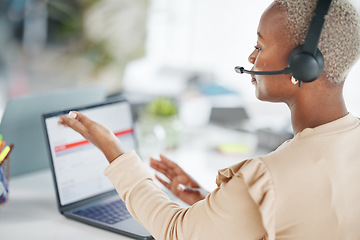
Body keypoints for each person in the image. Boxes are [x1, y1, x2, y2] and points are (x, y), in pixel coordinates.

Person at [58, 0, 360, 239]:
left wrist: (116, 152)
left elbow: (177, 232)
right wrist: (214, 203)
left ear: (302, 65)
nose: (251, 58)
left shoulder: (272, 176)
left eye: (260, 45)